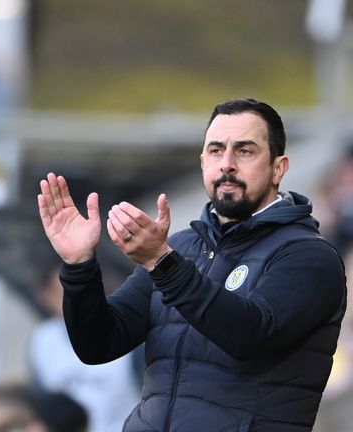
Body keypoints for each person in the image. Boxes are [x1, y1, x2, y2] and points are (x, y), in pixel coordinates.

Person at [37, 98, 346, 431]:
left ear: (278, 168)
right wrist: (79, 265)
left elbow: (249, 335)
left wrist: (162, 262)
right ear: (202, 162)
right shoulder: (180, 248)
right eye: (215, 150)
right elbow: (97, 345)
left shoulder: (309, 257)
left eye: (244, 151)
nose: (226, 164)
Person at [27, 263, 139, 432]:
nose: (72, 297)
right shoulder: (42, 340)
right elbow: (43, 396)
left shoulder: (127, 327)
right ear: (45, 295)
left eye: (80, 287)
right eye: (62, 291)